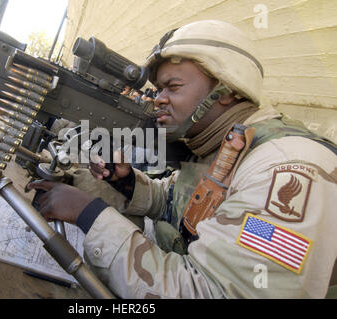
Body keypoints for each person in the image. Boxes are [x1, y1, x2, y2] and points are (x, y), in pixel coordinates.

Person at [28, 20, 337, 298]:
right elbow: (177, 203)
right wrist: (125, 182)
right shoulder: (221, 147)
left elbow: (210, 292)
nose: (158, 99)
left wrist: (88, 214)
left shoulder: (286, 172)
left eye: (172, 87)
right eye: (158, 88)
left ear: (226, 91)